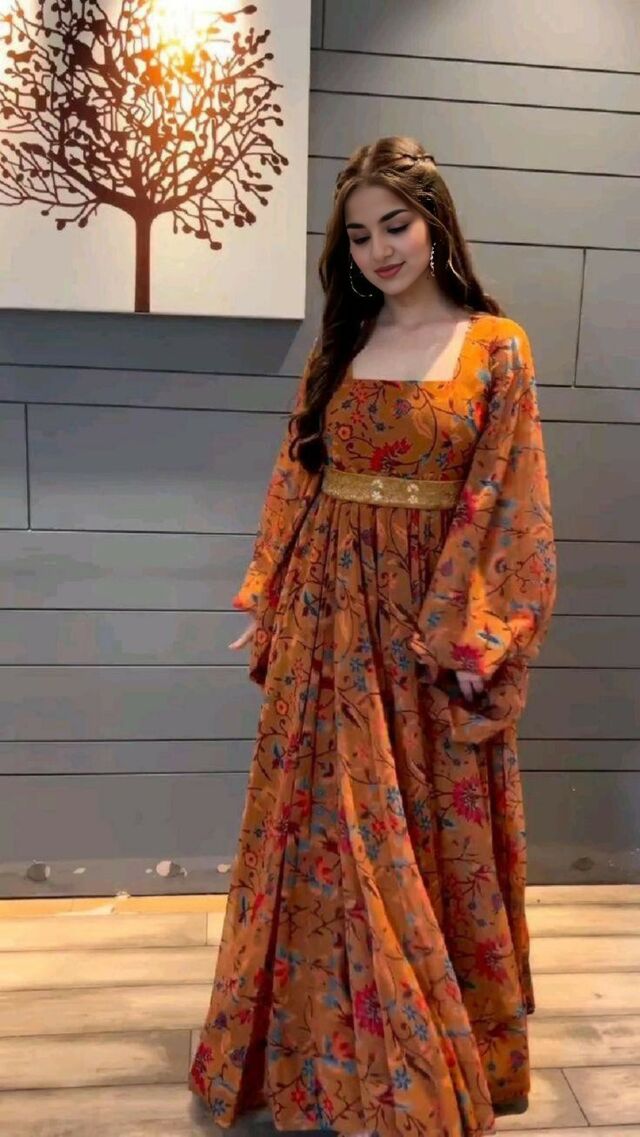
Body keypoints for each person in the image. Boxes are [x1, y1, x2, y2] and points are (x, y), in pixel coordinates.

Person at [189, 134, 557, 1137]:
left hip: (427, 623)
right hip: (327, 618)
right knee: (321, 831)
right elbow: (298, 474)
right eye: (358, 236)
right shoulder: (341, 347)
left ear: (435, 224)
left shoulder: (495, 346)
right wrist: (272, 593)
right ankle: (318, 1056)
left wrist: (479, 632)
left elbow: (509, 496)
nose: (380, 250)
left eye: (395, 225)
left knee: (427, 829)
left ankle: (427, 1045)